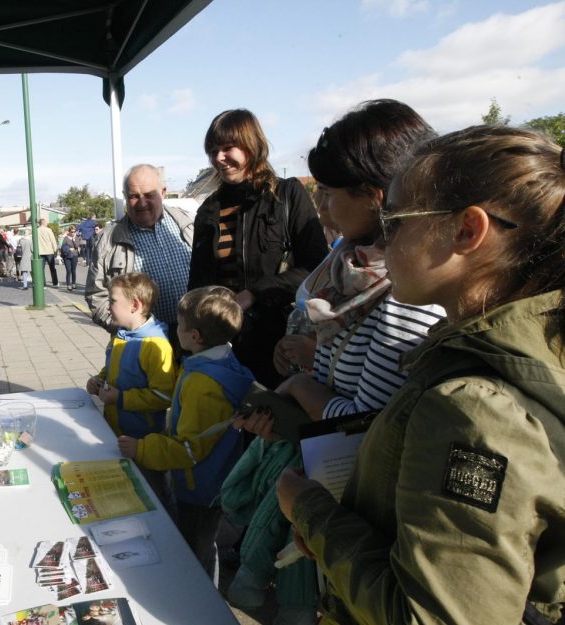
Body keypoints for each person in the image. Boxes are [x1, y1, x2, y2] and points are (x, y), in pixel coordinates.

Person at [277, 125, 565, 625]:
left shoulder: (474, 406)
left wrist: (312, 513)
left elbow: (432, 615)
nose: (382, 238)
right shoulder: (514, 348)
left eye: (395, 220)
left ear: (466, 232)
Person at [222, 99, 444, 625]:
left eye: (330, 192)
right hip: (327, 482)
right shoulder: (348, 261)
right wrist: (303, 365)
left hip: (355, 511)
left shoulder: (407, 293)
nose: (320, 204)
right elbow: (337, 360)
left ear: (374, 195)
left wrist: (298, 390)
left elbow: (364, 426)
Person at [119, 285, 253, 579]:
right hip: (213, 480)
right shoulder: (221, 362)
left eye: (180, 325)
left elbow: (188, 449)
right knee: (205, 548)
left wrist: (141, 449)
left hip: (198, 490)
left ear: (195, 336)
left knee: (192, 555)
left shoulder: (203, 384)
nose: (174, 328)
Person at [188, 109, 329, 389]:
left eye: (228, 148)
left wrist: (254, 293)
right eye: (213, 151)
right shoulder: (208, 210)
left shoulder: (287, 195)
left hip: (277, 347)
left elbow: (317, 269)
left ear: (252, 145)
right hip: (222, 347)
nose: (219, 158)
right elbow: (197, 284)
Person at [86, 272, 176, 499]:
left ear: (135, 305)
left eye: (113, 301)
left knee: (151, 492)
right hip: (116, 432)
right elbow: (110, 369)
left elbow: (164, 396)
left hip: (143, 441)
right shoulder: (120, 336)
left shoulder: (156, 346)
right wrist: (98, 380)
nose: (108, 305)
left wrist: (121, 398)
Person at [86, 164, 193, 331]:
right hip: (143, 344)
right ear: (125, 197)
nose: (142, 203)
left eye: (149, 195)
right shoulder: (108, 241)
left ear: (163, 192)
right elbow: (96, 296)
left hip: (194, 339)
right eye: (134, 196)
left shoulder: (188, 224)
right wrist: (129, 331)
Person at [37, 218, 60, 287]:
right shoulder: (48, 230)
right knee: (52, 268)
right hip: (49, 251)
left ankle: (43, 284)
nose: (47, 223)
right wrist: (55, 248)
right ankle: (55, 283)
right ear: (43, 222)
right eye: (46, 222)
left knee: (41, 269)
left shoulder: (36, 230)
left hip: (40, 251)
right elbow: (52, 240)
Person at [60, 225, 81, 291]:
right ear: (69, 231)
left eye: (74, 231)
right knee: (68, 271)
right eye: (72, 232)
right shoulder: (66, 238)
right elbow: (63, 247)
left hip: (74, 255)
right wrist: (69, 249)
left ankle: (73, 283)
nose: (73, 233)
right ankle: (68, 285)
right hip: (67, 256)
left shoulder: (77, 238)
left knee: (73, 271)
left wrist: (74, 240)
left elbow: (77, 246)